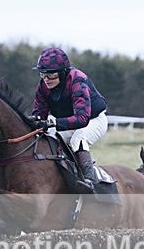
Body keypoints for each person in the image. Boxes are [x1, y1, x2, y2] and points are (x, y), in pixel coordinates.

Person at [31, 47, 108, 193]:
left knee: (77, 139)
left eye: (51, 75)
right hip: (69, 123)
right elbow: (39, 114)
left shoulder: (77, 80)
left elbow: (82, 119)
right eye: (43, 74)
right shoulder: (42, 87)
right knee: (47, 137)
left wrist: (52, 122)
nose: (46, 79)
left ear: (63, 72)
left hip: (94, 120)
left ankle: (88, 179)